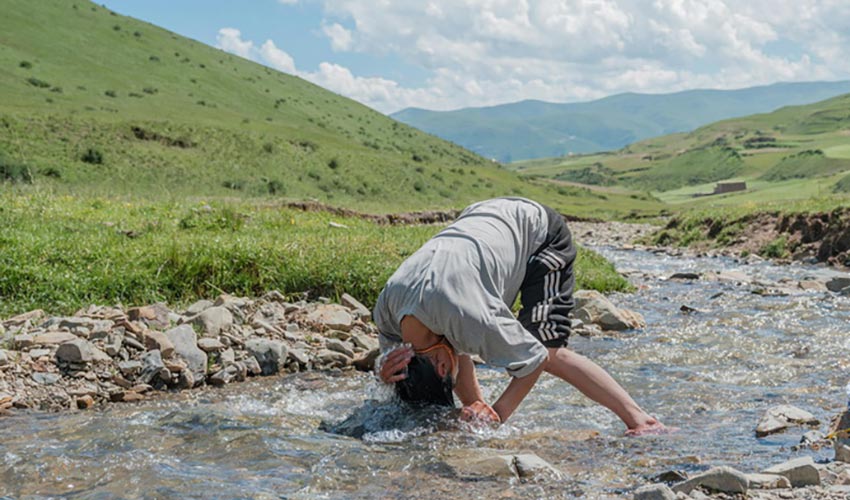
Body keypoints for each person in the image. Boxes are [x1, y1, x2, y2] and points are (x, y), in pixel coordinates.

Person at [372, 197, 666, 435]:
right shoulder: (387, 312)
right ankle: (476, 406)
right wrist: (382, 371)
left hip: (538, 233)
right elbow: (411, 360)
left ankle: (641, 420)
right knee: (449, 340)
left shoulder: (472, 316)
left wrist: (496, 417)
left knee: (551, 350)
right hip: (481, 218)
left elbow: (535, 359)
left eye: (449, 373)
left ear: (441, 367)